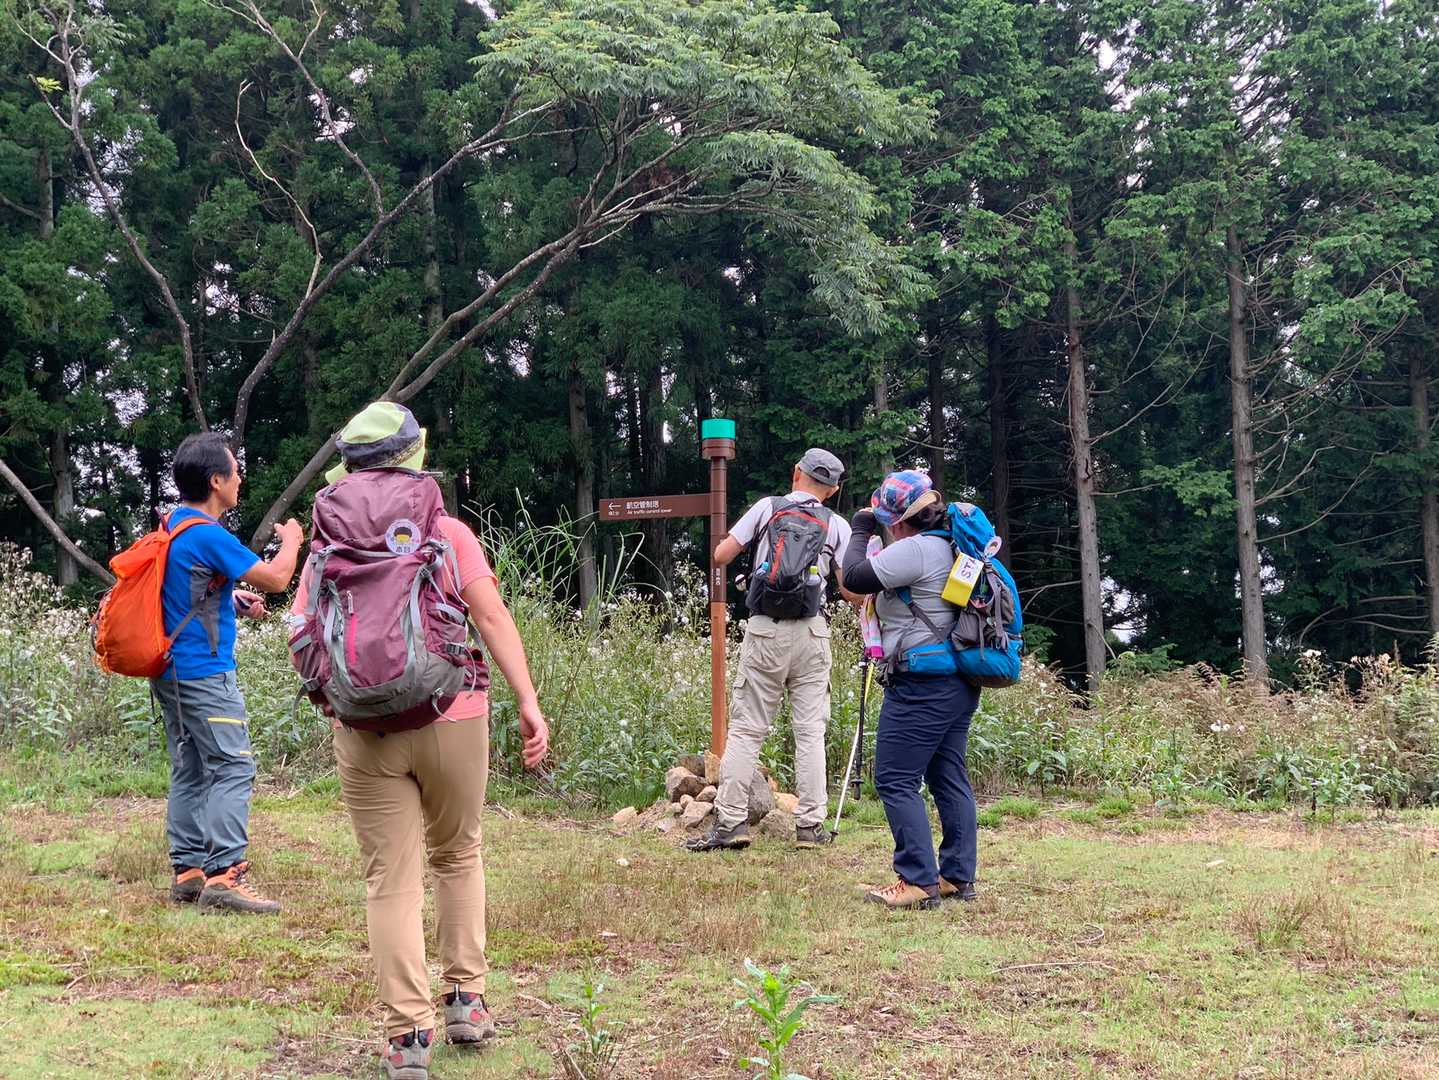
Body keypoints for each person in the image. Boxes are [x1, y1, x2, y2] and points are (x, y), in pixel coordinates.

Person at [290, 402, 549, 1080]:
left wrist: (337, 696)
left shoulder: (326, 542)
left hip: (363, 730)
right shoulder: (445, 530)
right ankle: (466, 1002)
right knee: (457, 854)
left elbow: (302, 629)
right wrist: (528, 702)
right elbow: (490, 615)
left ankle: (407, 1037)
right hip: (453, 715)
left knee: (389, 879)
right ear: (415, 455)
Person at [155, 432, 305, 915]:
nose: (241, 478)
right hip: (205, 674)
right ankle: (225, 876)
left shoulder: (171, 526)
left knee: (192, 766)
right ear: (216, 481)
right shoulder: (208, 534)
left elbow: (182, 589)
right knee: (232, 766)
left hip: (170, 672)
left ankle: (189, 872)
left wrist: (230, 598)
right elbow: (277, 579)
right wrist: (292, 542)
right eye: (235, 472)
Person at [688, 448, 854, 852]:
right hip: (812, 632)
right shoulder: (837, 525)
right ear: (833, 490)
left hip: (765, 630)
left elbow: (721, 555)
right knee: (810, 732)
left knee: (747, 729)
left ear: (796, 472)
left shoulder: (767, 508)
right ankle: (810, 827)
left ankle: (731, 823)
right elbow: (850, 589)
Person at [840, 470, 980, 910]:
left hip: (921, 683)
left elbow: (854, 576)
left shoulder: (916, 550)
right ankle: (956, 876)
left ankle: (918, 881)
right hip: (957, 679)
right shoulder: (950, 546)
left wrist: (860, 528)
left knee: (895, 779)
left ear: (897, 521)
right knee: (947, 776)